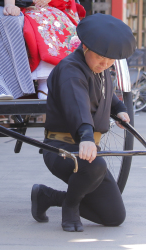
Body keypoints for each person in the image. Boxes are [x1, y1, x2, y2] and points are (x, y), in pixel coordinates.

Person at [30, 13, 134, 232]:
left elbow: (107, 96)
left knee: (114, 216)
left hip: (88, 150)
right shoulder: (70, 69)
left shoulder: (99, 68)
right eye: (100, 58)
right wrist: (86, 136)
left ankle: (47, 196)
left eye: (109, 61)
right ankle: (70, 205)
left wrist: (120, 110)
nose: (104, 64)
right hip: (61, 147)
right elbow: (76, 104)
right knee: (95, 164)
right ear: (85, 46)